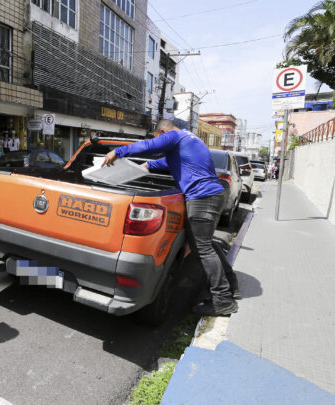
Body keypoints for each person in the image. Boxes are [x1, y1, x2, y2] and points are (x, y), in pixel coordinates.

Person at [102, 119, 240, 316]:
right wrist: (146, 166)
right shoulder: (187, 141)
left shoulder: (175, 136)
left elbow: (148, 146)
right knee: (206, 245)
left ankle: (222, 300)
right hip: (210, 195)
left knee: (203, 249)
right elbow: (164, 162)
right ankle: (230, 285)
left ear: (164, 131)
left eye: (160, 138)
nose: (161, 143)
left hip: (202, 197)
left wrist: (117, 152)